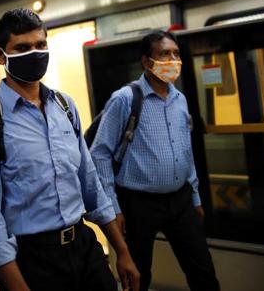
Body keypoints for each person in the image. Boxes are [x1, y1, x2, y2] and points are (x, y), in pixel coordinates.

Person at [0, 8, 140, 291]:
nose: (34, 53)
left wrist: (122, 251)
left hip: (83, 246)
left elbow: (90, 184)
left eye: (40, 45)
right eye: (22, 47)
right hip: (31, 259)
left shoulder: (65, 107)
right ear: (0, 55)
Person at [90, 31, 220, 291]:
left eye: (176, 54)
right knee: (138, 274)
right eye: (164, 54)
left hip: (181, 200)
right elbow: (100, 153)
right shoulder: (125, 99)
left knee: (202, 270)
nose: (172, 60)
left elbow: (186, 151)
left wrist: (194, 196)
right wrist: (113, 208)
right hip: (139, 203)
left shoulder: (180, 99)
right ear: (147, 62)